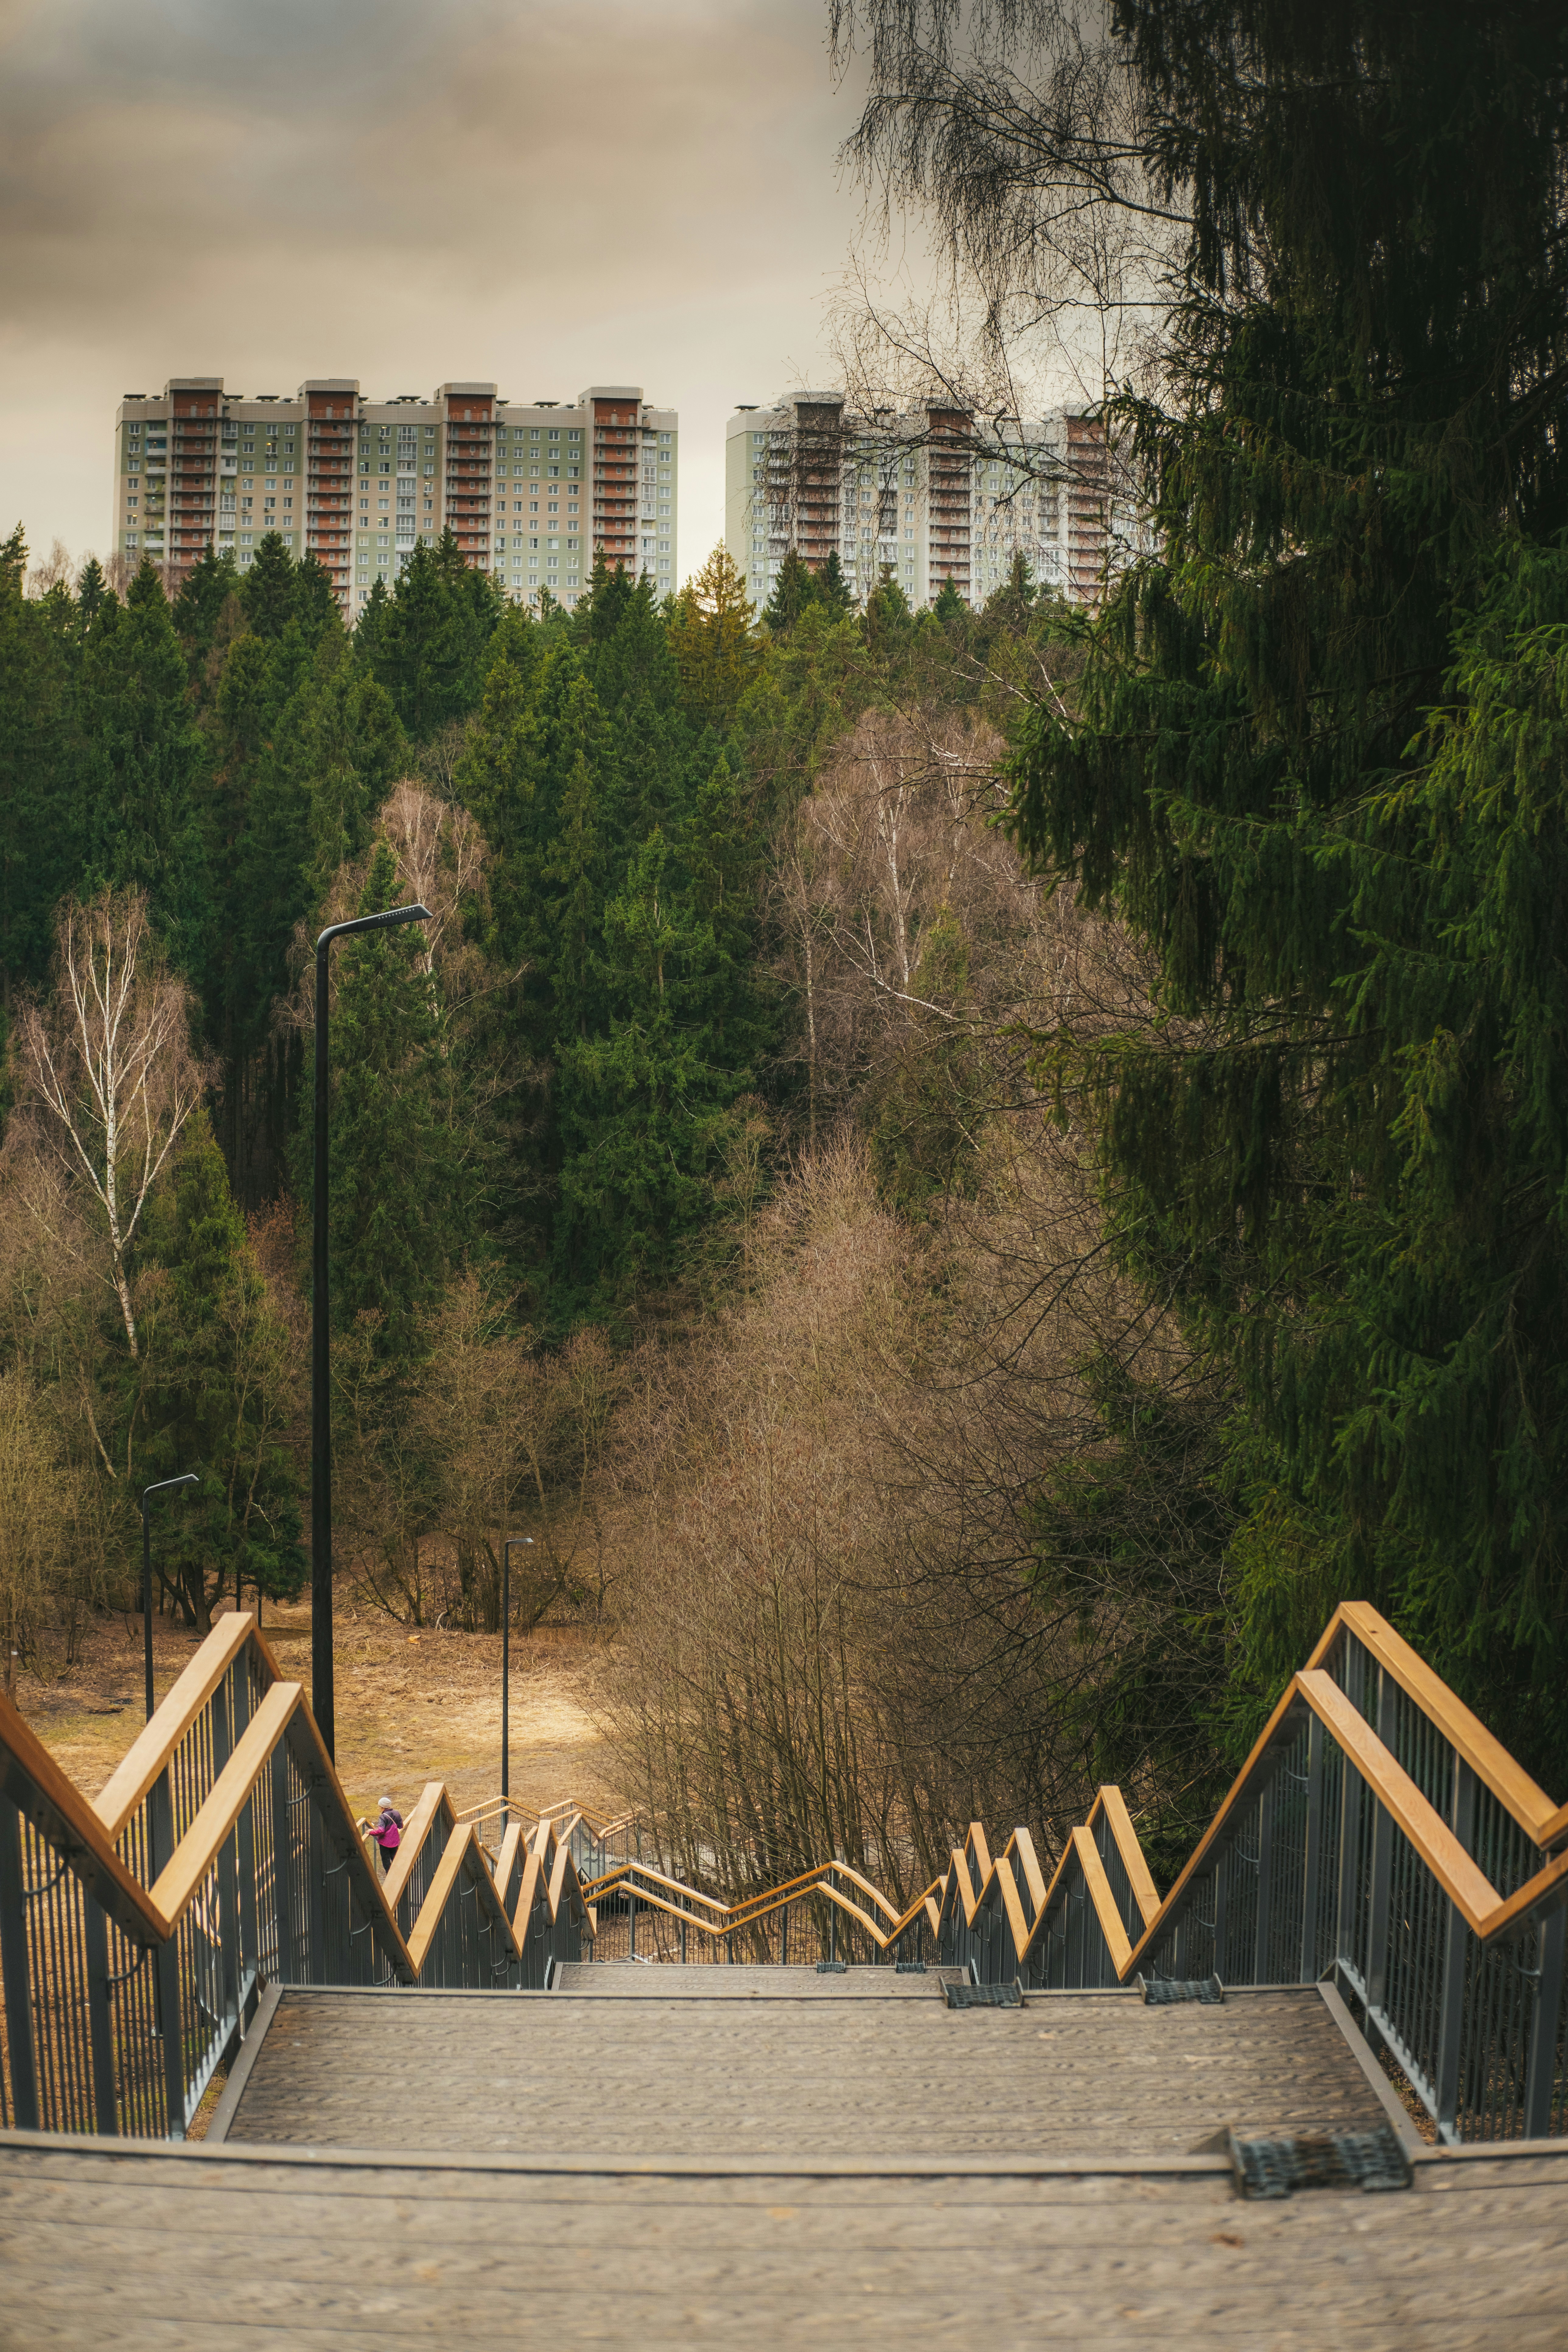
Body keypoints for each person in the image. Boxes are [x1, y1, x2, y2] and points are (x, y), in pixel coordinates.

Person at [369, 1796, 402, 1874]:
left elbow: (381, 1831)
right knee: (395, 1859)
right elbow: (401, 1826)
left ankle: (390, 1876)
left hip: (385, 1843)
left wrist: (371, 1832)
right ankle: (399, 1875)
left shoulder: (383, 1817)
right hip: (395, 1841)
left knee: (386, 1861)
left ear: (382, 1807)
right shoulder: (396, 1813)